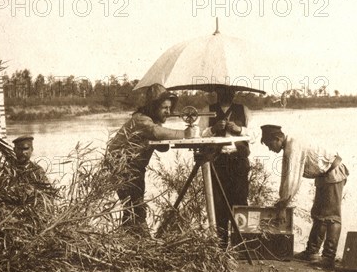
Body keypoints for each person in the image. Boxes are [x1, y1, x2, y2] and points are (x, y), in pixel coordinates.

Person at [107, 83, 192, 236]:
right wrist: (186, 134)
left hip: (134, 170)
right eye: (164, 108)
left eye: (169, 108)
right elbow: (156, 132)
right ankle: (143, 241)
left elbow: (162, 147)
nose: (168, 112)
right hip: (123, 169)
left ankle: (132, 243)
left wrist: (163, 128)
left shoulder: (150, 121)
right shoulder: (141, 120)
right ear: (153, 107)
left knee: (132, 210)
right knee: (136, 209)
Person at [261, 124, 349, 270]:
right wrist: (282, 200)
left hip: (333, 174)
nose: (270, 149)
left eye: (270, 145)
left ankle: (328, 258)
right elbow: (285, 176)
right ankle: (312, 252)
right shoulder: (288, 146)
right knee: (318, 214)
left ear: (278, 138)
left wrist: (283, 205)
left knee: (332, 217)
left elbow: (292, 179)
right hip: (324, 176)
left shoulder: (293, 146)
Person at [201, 87, 253, 247]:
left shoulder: (243, 110)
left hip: (238, 162)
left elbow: (255, 135)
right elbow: (199, 135)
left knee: (240, 203)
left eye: (231, 92)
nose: (227, 95)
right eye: (223, 91)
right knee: (218, 204)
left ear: (235, 93)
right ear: (216, 93)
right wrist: (213, 129)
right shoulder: (207, 110)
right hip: (218, 162)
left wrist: (239, 130)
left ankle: (242, 247)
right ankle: (221, 245)